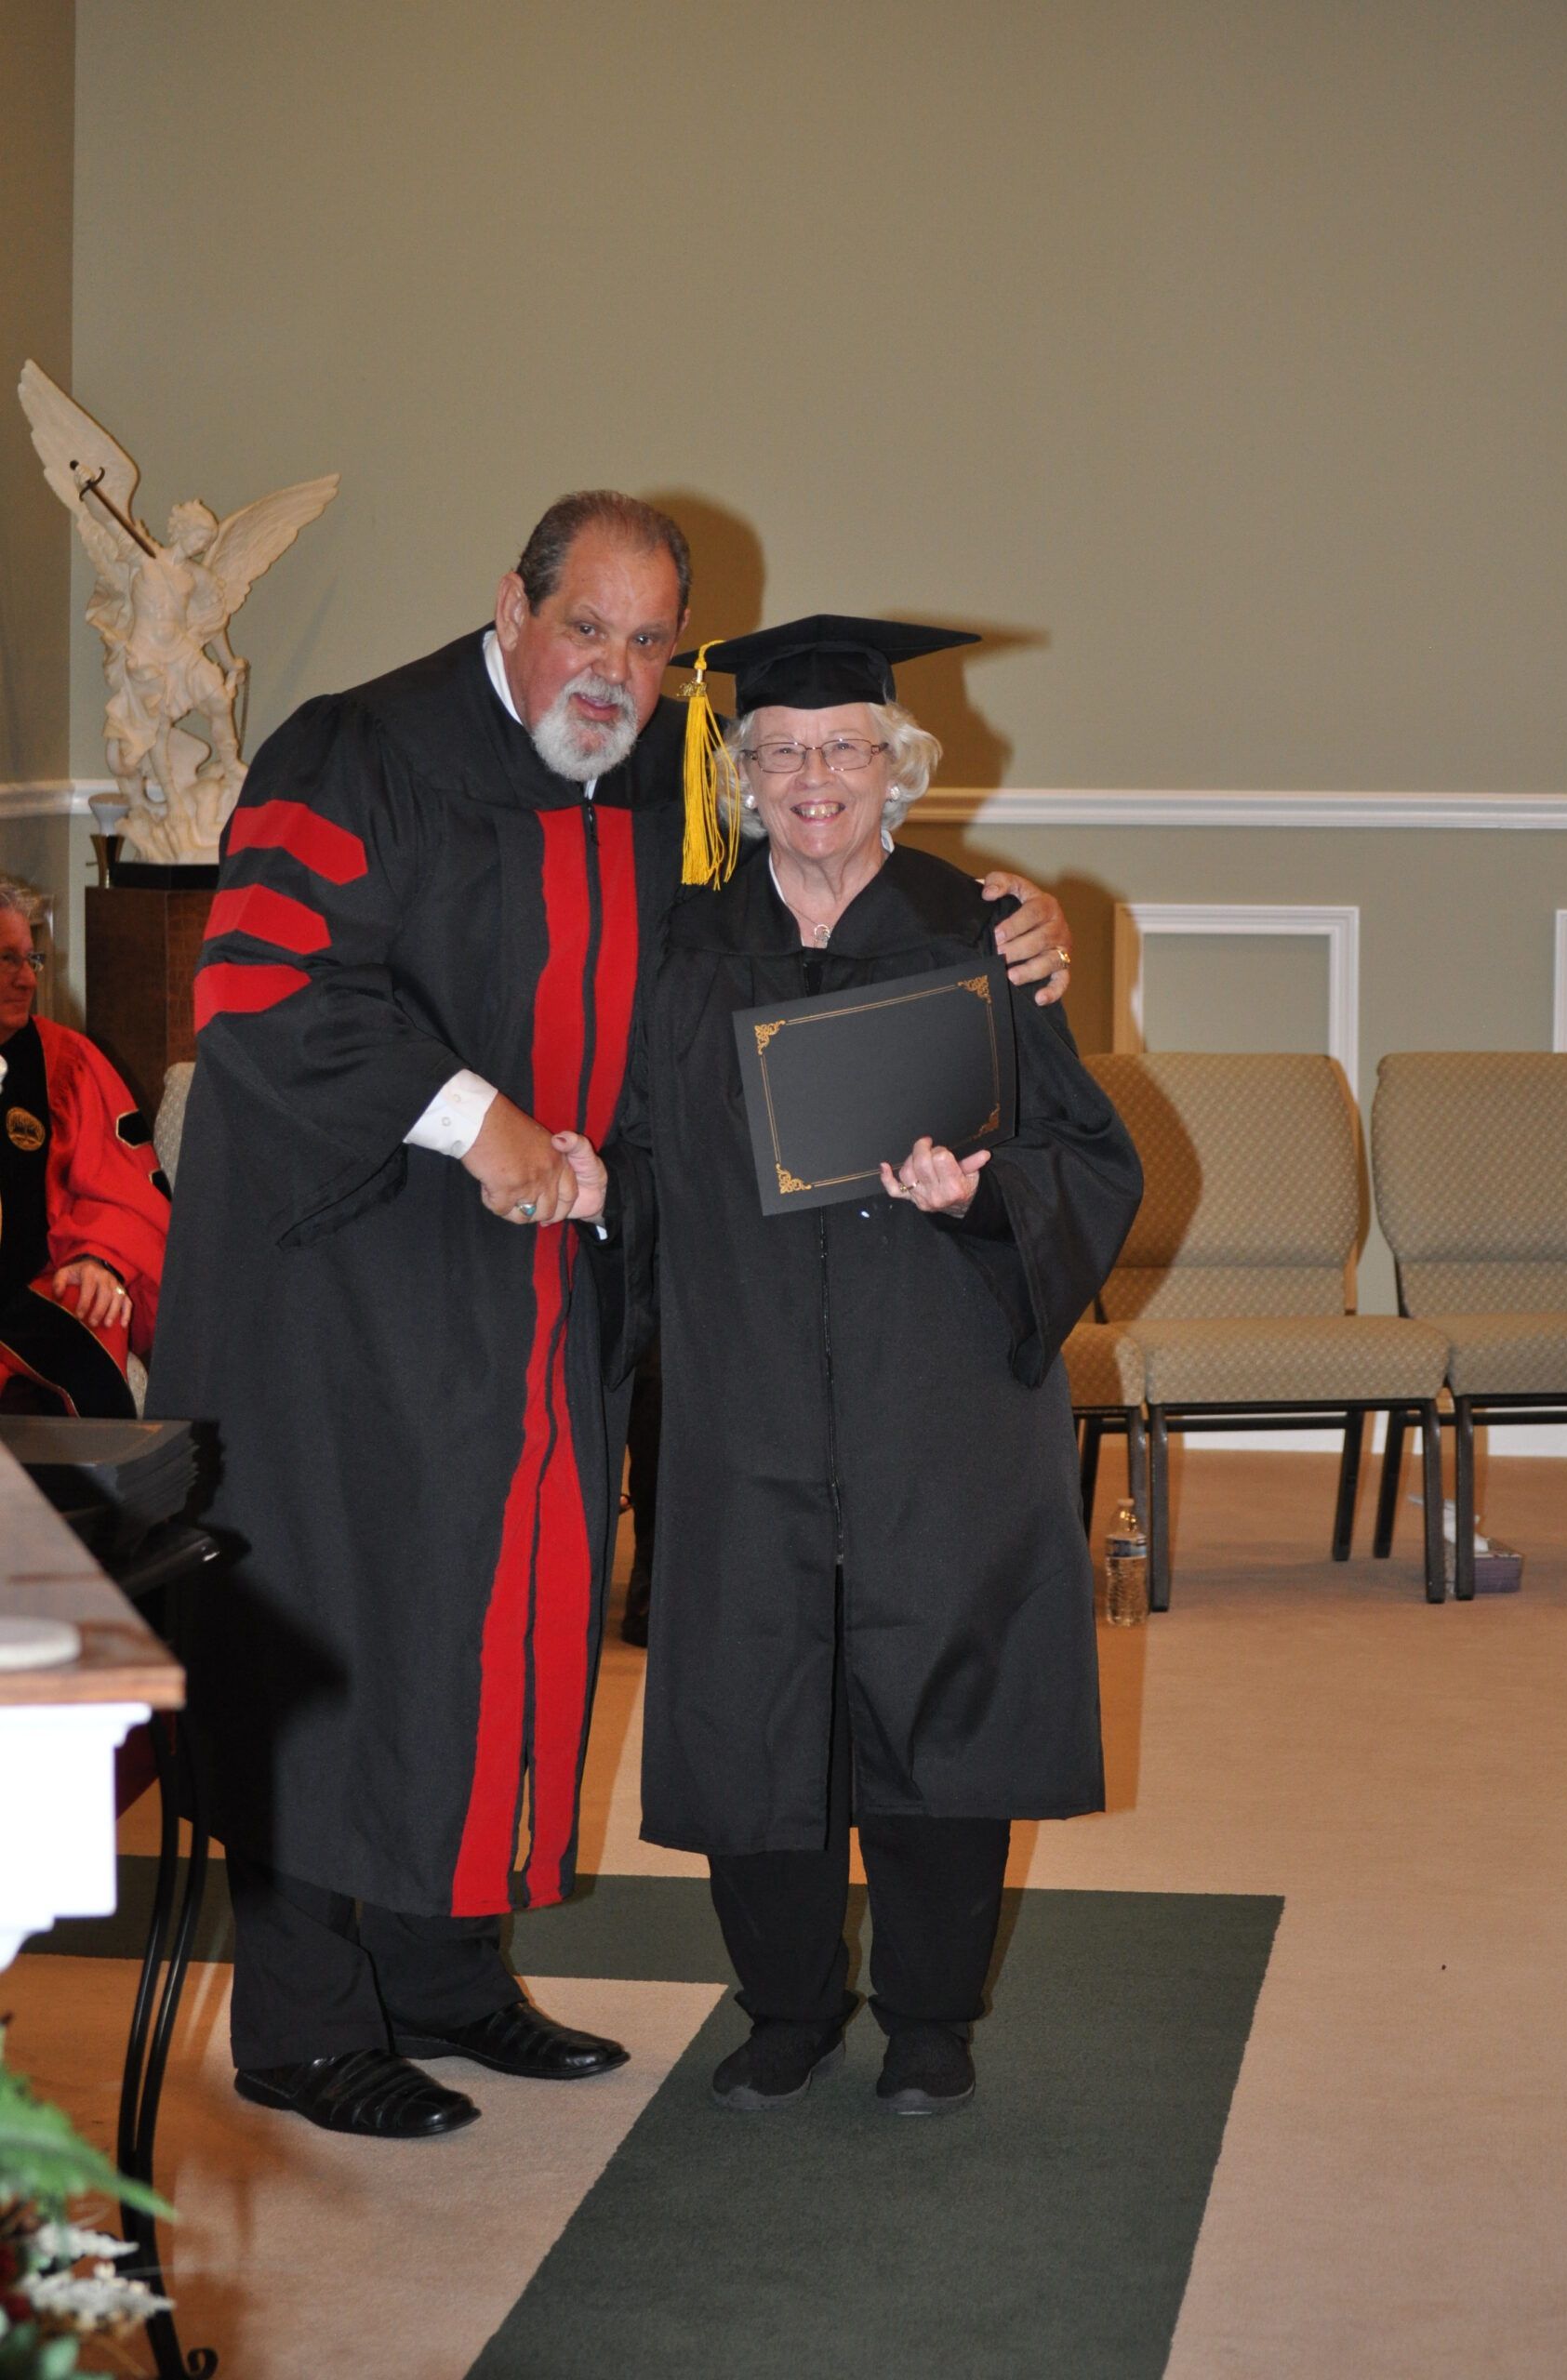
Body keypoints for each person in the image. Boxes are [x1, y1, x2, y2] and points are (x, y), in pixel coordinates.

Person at [149, 495, 1077, 2142]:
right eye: (591, 626)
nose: (620, 670)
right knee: (336, 1621)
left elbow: (788, 939)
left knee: (494, 1616)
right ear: (510, 602)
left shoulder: (653, 778)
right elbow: (263, 991)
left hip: (548, 1266)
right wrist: (481, 1124)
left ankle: (447, 1978)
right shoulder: (353, 750)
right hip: (343, 1280)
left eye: (654, 644)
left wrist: (1026, 928)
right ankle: (302, 2021)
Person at [563, 616, 1142, 2116]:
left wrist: (989, 1198)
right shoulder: (683, 947)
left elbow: (1090, 1153)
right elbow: (635, 1150)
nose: (814, 777)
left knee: (937, 1690)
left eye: (847, 749)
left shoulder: (984, 934)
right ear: (740, 776)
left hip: (936, 1387)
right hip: (744, 1388)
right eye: (780, 752)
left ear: (901, 767)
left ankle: (933, 2020)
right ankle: (786, 2010)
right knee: (755, 1694)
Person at [0, 883, 168, 1417]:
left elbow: (123, 1190)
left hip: (31, 1297)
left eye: (31, 959)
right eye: (6, 960)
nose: (26, 979)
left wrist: (101, 1258)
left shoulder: (66, 1066)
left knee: (94, 1307)